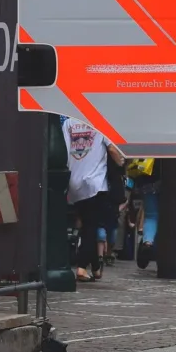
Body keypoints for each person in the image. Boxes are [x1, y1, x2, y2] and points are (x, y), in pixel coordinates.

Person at [61, 117, 124, 282]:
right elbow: (112, 149)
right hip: (95, 184)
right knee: (91, 227)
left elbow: (65, 150)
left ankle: (95, 267)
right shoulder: (100, 120)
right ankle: (82, 268)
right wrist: (122, 163)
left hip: (75, 183)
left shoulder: (69, 123)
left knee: (87, 223)